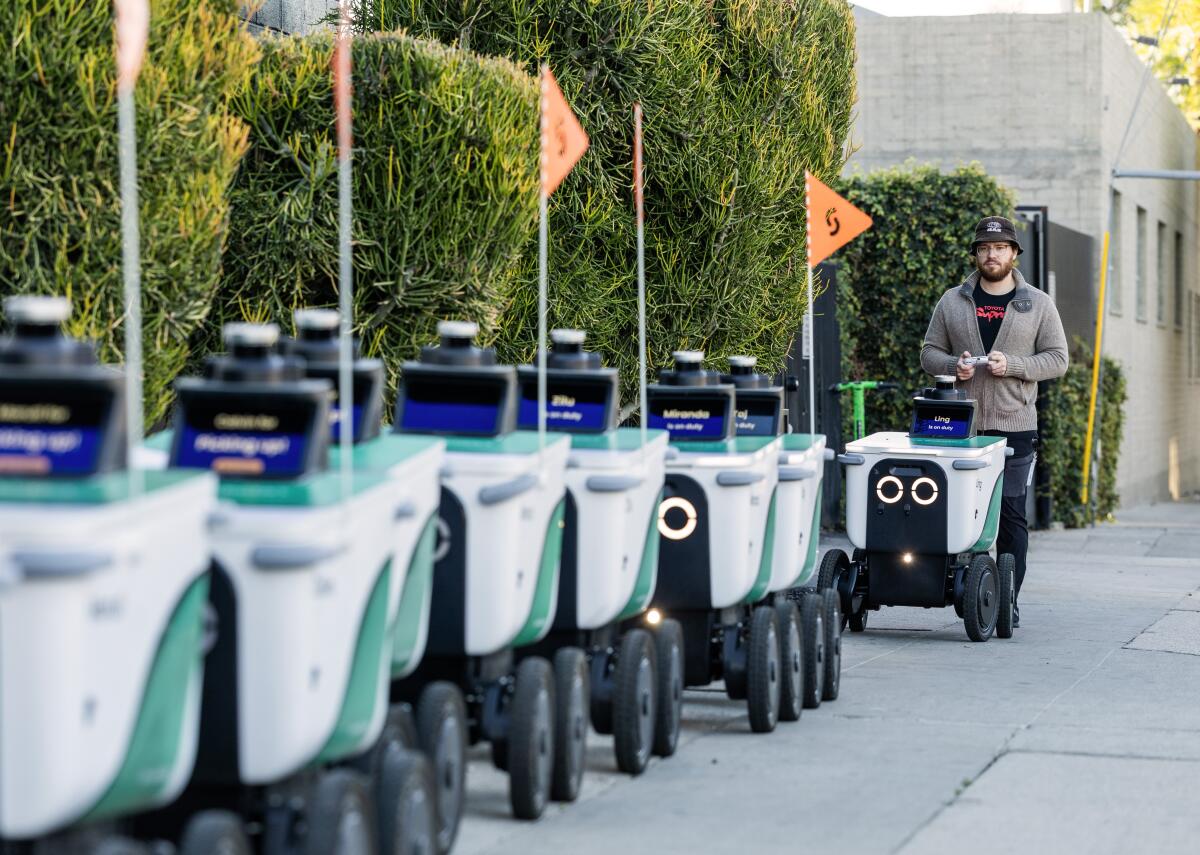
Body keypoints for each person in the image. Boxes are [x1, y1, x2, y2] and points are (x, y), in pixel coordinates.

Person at [920, 216, 1068, 626]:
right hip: (960, 427)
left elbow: (1058, 359)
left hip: (1015, 424)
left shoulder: (1037, 303)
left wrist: (1016, 364)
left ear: (1014, 253)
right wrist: (954, 366)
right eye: (985, 248)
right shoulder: (953, 300)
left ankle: (1007, 600)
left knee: (1010, 513)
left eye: (1000, 247)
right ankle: (969, 592)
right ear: (976, 254)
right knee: (959, 510)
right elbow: (929, 352)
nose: (992, 254)